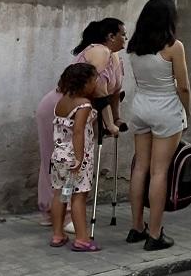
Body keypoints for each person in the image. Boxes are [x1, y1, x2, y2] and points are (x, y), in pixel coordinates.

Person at [36, 18, 127, 227]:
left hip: (82, 112)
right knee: (62, 161)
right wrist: (109, 124)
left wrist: (116, 118)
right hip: (62, 109)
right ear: (110, 36)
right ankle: (61, 214)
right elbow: (96, 87)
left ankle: (55, 212)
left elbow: (114, 92)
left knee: (71, 159)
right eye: (122, 34)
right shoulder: (99, 51)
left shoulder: (115, 58)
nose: (125, 38)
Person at [126, 0, 191, 251]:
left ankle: (136, 227)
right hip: (165, 109)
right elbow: (183, 86)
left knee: (140, 167)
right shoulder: (174, 47)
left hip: (140, 106)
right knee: (159, 171)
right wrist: (188, 112)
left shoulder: (134, 46)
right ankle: (155, 234)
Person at [48, 63, 100, 251]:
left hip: (59, 156)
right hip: (77, 158)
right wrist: (79, 159)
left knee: (60, 194)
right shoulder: (83, 104)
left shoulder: (61, 102)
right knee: (78, 197)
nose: (96, 83)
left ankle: (57, 235)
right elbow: (78, 131)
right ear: (84, 82)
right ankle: (82, 239)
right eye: (94, 80)